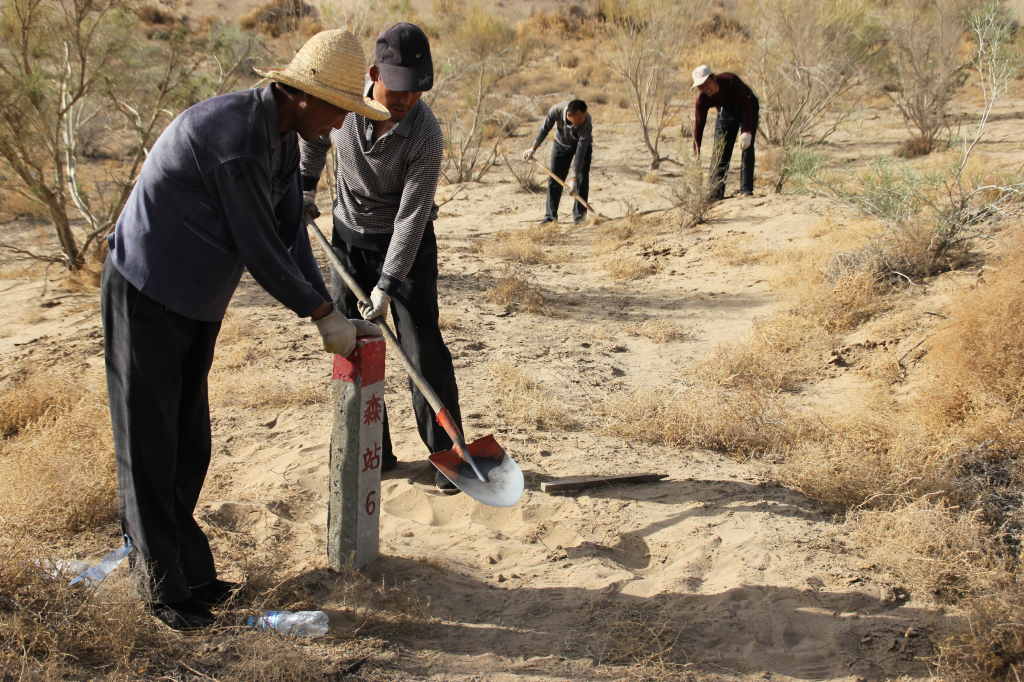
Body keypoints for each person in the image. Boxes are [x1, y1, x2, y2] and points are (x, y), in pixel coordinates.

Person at [102, 30, 389, 631]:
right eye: (339, 109)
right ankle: (159, 593)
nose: (341, 126)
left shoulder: (284, 135)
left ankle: (189, 576)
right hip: (147, 290)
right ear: (306, 97)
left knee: (190, 443)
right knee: (150, 445)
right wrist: (318, 315)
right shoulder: (233, 138)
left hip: (196, 300)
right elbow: (258, 246)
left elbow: (288, 231)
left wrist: (331, 307)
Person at [300, 22, 463, 495]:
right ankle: (373, 449)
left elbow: (413, 216)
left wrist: (388, 283)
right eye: (398, 89)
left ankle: (448, 456)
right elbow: (312, 136)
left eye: (417, 91)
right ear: (373, 73)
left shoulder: (425, 134)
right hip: (349, 240)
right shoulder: (345, 105)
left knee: (423, 352)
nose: (407, 100)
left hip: (406, 248)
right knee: (353, 346)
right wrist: (306, 185)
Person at [690, 65, 759, 200]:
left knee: (746, 145)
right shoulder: (702, 100)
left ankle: (746, 190)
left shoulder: (730, 80)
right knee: (720, 151)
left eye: (706, 84)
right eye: (700, 87)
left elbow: (747, 105)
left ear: (713, 78)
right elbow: (699, 125)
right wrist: (696, 149)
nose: (705, 89)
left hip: (748, 107)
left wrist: (746, 131)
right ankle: (715, 193)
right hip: (726, 111)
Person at [522, 99, 593, 224]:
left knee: (582, 179)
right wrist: (533, 148)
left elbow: (580, 153)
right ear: (569, 115)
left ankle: (579, 217)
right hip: (561, 145)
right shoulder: (556, 110)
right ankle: (550, 217)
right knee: (554, 180)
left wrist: (574, 179)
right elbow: (544, 129)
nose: (582, 121)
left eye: (583, 117)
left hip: (582, 147)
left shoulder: (586, 121)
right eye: (579, 119)